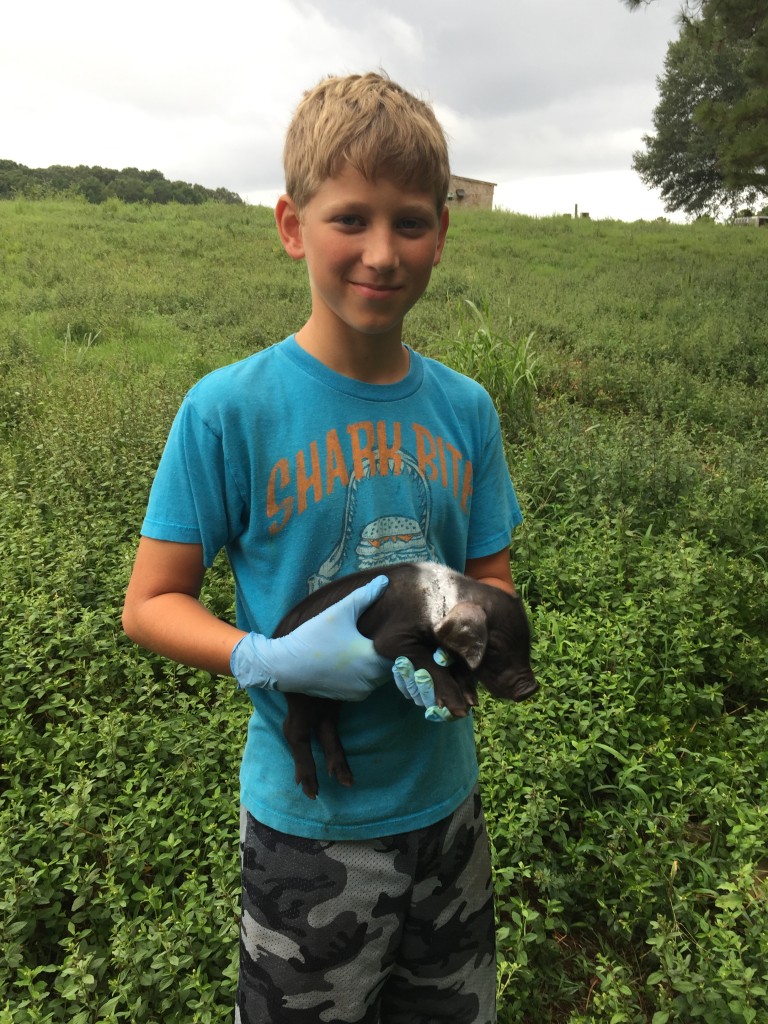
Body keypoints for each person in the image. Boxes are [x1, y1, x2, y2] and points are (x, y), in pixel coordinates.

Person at [122, 70, 523, 1024]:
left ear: (442, 232)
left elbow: (491, 577)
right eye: (350, 219)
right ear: (293, 226)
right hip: (310, 834)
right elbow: (150, 602)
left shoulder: (464, 410)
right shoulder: (229, 411)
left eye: (411, 222)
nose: (382, 253)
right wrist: (264, 656)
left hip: (446, 809)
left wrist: (467, 642)